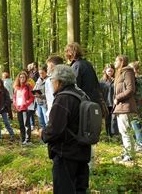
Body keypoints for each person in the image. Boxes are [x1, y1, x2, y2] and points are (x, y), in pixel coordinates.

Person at [41, 64, 91, 193]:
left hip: (66, 154)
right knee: (80, 190)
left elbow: (54, 129)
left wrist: (43, 134)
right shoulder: (82, 95)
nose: (51, 83)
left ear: (59, 81)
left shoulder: (63, 98)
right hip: (83, 151)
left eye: (52, 80)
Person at [112, 55, 138, 163]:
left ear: (121, 61)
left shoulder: (128, 72)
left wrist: (118, 97)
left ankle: (129, 156)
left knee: (126, 132)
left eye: (116, 60)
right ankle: (126, 153)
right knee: (124, 132)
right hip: (121, 107)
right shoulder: (121, 72)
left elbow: (130, 89)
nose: (114, 63)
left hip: (125, 107)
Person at [129, 61, 142, 152]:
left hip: (138, 105)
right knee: (135, 124)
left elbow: (139, 95)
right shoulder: (136, 79)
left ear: (135, 69)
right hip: (137, 105)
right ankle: (138, 143)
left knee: (136, 124)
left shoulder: (139, 80)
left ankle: (141, 144)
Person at [13, 71, 35, 145]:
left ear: (26, 78)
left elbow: (32, 97)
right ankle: (23, 140)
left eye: (23, 77)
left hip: (25, 108)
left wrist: (26, 103)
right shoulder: (16, 87)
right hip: (18, 108)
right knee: (21, 124)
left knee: (26, 124)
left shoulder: (28, 86)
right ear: (18, 78)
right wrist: (15, 104)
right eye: (21, 77)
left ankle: (28, 140)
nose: (22, 78)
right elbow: (14, 97)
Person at [99, 64, 118, 138]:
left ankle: (114, 135)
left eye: (111, 70)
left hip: (114, 103)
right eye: (108, 70)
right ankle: (108, 135)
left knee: (114, 120)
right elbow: (99, 92)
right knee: (107, 120)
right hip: (105, 103)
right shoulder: (101, 81)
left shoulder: (117, 79)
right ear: (105, 71)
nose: (110, 71)